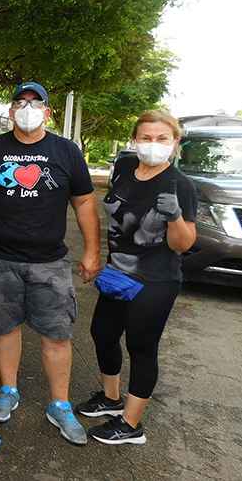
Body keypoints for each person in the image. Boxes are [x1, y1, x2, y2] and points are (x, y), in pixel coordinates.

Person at [0, 82, 100, 445]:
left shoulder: (66, 151)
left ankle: (60, 404)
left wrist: (92, 250)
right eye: (20, 102)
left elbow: (84, 202)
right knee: (4, 328)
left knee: (57, 334)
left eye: (36, 103)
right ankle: (8, 389)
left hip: (49, 263)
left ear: (48, 112)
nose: (27, 108)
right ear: (10, 112)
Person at [77, 111, 197, 445]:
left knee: (141, 348)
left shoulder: (180, 184)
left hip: (155, 280)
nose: (153, 145)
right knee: (102, 334)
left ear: (175, 142)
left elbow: (183, 244)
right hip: (118, 273)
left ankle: (131, 425)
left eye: (162, 138)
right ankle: (111, 399)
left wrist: (174, 217)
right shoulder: (127, 168)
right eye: (146, 137)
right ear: (135, 139)